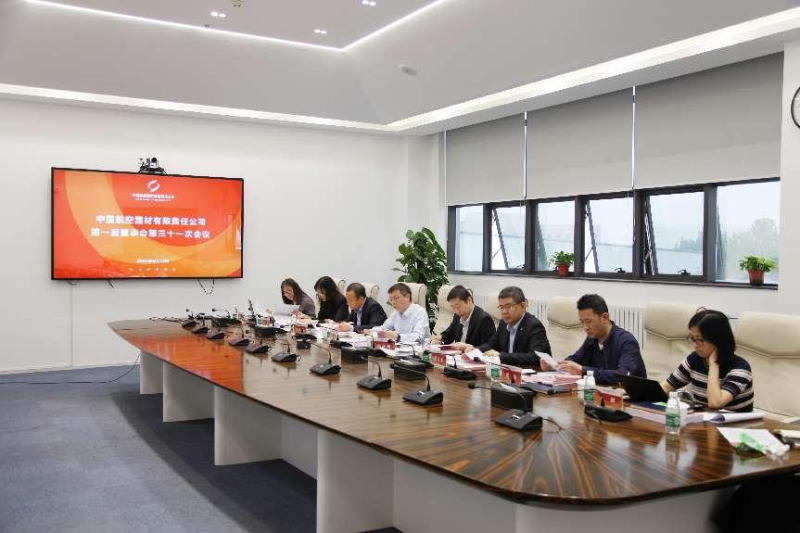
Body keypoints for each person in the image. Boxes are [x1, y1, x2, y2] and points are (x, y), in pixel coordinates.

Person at [661, 309, 754, 412]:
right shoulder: (694, 359)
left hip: (737, 422)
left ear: (718, 340)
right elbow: (666, 386)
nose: (695, 345)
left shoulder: (740, 368)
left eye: (700, 340)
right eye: (692, 339)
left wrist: (714, 364)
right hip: (703, 419)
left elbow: (715, 403)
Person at [545, 294, 646, 385]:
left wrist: (583, 371)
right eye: (582, 322)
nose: (585, 327)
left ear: (605, 317)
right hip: (599, 393)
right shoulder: (591, 339)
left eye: (588, 321)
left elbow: (623, 375)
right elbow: (575, 359)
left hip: (629, 397)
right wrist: (554, 366)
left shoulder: (627, 341)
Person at [463, 286, 551, 367]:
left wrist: (500, 356)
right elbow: (492, 344)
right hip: (507, 371)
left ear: (522, 306)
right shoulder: (503, 323)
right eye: (501, 307)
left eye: (509, 307)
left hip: (529, 373)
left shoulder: (534, 326)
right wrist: (475, 350)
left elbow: (535, 357)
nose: (504, 312)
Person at [432, 285, 496, 350]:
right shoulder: (457, 316)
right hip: (456, 355)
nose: (456, 311)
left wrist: (470, 347)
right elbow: (448, 335)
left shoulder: (484, 319)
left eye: (458, 307)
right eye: (453, 308)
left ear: (469, 300)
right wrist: (439, 339)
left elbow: (489, 348)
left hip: (472, 356)